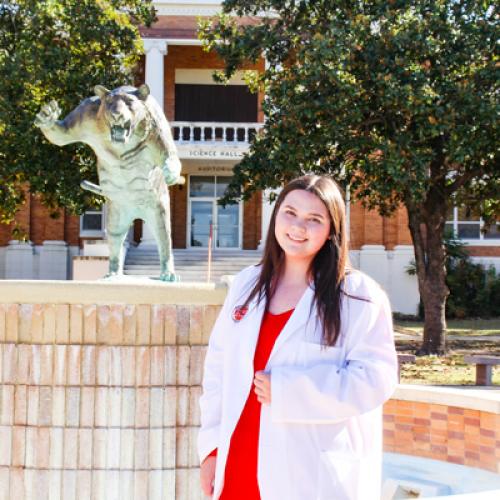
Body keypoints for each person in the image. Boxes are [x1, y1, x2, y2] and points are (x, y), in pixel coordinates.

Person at [198, 175, 398, 500]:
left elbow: (376, 379)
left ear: (332, 229)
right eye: (290, 213)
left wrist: (290, 390)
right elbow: (217, 374)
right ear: (275, 216)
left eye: (314, 219)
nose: (298, 227)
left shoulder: (358, 296)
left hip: (309, 472)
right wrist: (211, 449)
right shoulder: (245, 286)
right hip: (238, 462)